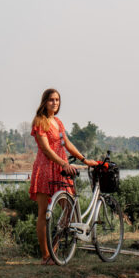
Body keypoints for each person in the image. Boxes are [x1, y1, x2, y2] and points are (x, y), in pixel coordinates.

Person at [29, 87, 96, 263]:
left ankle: (55, 247)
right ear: (45, 102)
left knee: (70, 207)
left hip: (61, 168)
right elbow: (46, 149)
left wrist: (84, 159)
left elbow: (66, 143)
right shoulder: (39, 122)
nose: (55, 103)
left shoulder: (58, 122)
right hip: (45, 167)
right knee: (43, 212)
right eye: (51, 100)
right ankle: (45, 256)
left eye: (57, 100)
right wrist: (64, 163)